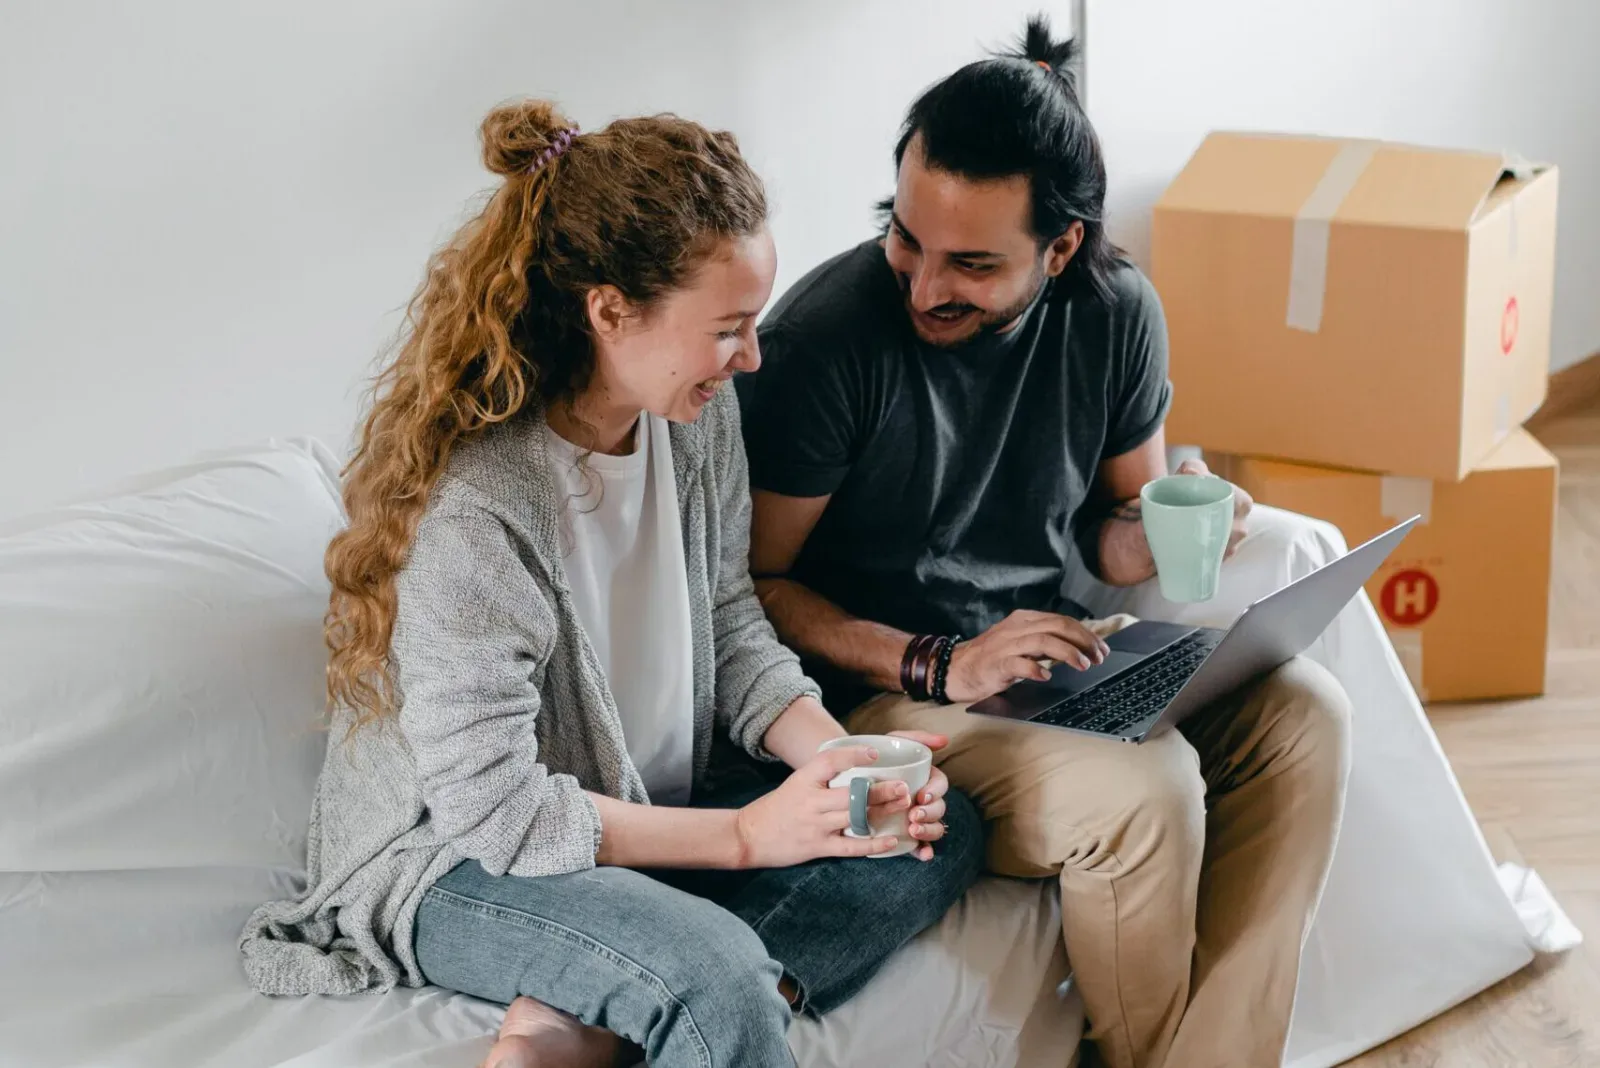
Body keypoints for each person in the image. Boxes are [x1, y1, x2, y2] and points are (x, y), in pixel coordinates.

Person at [239, 101, 984, 1068]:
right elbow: (498, 814)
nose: (752, 357)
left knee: (934, 827)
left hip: (634, 801)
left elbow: (729, 620)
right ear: (610, 311)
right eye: (728, 328)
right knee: (715, 980)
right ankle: (676, 984)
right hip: (457, 859)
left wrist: (837, 764)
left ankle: (584, 1014)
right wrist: (752, 839)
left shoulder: (694, 417)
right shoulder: (476, 509)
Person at [736, 17, 1352, 1068]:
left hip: (1040, 662)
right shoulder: (827, 342)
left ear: (1060, 247)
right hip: (883, 697)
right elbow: (755, 586)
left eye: (970, 263)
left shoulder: (1114, 313)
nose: (924, 286)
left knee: (1306, 716)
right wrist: (941, 660)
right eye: (904, 236)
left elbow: (1110, 538)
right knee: (1146, 792)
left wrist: (1171, 516)